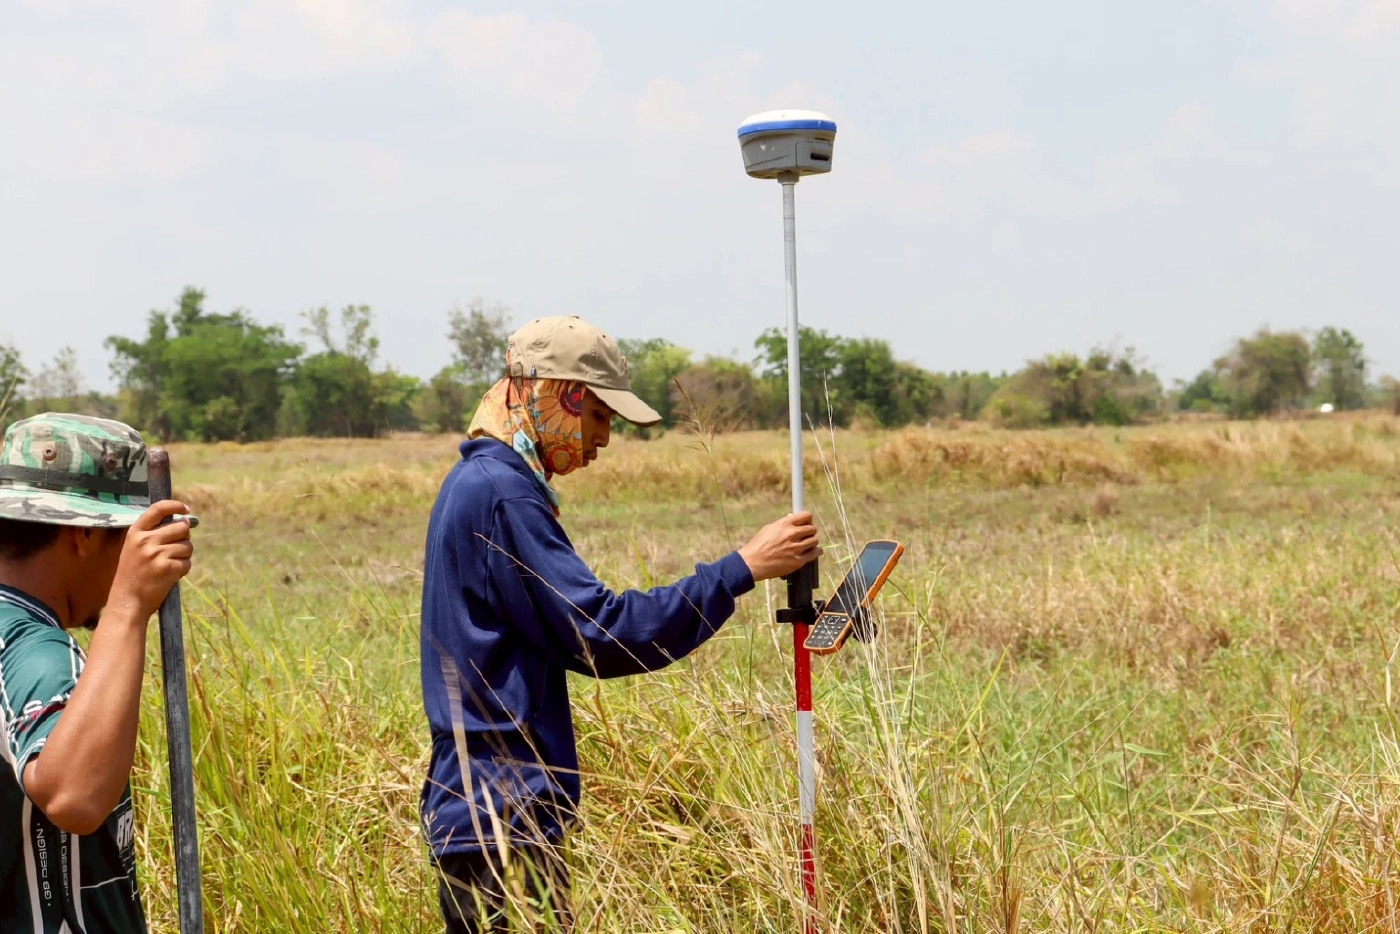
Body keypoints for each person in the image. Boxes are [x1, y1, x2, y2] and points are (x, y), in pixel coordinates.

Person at [419, 316, 821, 932]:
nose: (603, 440)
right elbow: (602, 633)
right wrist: (742, 568)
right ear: (563, 395)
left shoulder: (476, 482)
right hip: (502, 818)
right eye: (600, 417)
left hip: (479, 811)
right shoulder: (503, 493)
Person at [0, 414, 194, 934]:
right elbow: (74, 797)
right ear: (84, 533)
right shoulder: (33, 648)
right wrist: (129, 607)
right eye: (126, 542)